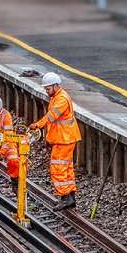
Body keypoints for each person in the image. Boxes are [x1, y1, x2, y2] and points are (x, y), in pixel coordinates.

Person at [31, 72, 81, 211]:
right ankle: (70, 195)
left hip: (64, 138)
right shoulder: (58, 96)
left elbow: (52, 116)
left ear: (55, 86)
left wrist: (38, 125)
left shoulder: (61, 99)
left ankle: (65, 197)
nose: (46, 91)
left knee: (57, 168)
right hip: (65, 138)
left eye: (48, 89)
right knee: (67, 167)